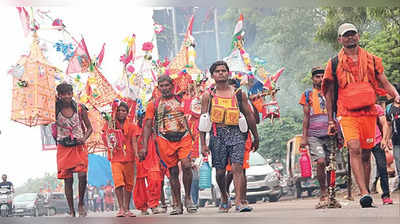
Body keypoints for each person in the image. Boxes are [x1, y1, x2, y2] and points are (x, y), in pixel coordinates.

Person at [322, 23, 400, 208]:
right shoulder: (333, 63)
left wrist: (397, 96)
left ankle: (366, 191)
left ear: (358, 36)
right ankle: (364, 193)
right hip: (346, 113)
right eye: (345, 35)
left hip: (368, 112)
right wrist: (331, 120)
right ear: (339, 40)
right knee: (354, 148)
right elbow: (330, 94)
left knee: (366, 154)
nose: (350, 38)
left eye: (352, 34)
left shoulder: (371, 60)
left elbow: (384, 81)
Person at [200, 61, 259, 212]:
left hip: (237, 133)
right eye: (217, 71)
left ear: (228, 73)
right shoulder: (208, 95)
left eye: (223, 70)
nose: (221, 73)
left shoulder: (239, 93)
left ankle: (239, 201)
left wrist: (255, 136)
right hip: (217, 134)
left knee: (237, 167)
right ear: (212, 75)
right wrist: (203, 144)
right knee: (220, 172)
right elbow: (204, 119)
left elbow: (249, 115)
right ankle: (225, 196)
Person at [139, 75, 197, 215]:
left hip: (183, 137)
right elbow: (147, 125)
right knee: (173, 173)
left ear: (172, 85)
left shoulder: (181, 99)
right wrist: (144, 147)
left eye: (167, 85)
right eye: (162, 86)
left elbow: (193, 113)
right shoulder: (153, 104)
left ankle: (188, 198)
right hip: (164, 140)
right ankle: (177, 203)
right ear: (158, 88)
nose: (165, 88)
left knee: (186, 165)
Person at [299, 66, 337, 209]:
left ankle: (330, 194)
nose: (320, 79)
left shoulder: (331, 92)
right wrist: (304, 137)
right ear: (312, 79)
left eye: (322, 76)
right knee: (320, 161)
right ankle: (322, 192)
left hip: (330, 132)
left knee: (330, 164)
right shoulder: (307, 94)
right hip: (314, 135)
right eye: (317, 77)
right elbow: (306, 116)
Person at [55, 82, 92, 217]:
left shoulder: (80, 109)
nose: (66, 97)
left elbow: (90, 128)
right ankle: (71, 209)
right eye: (63, 94)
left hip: (79, 146)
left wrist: (84, 138)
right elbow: (46, 121)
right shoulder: (54, 109)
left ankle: (81, 203)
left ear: (72, 94)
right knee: (68, 179)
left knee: (82, 175)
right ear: (59, 95)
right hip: (64, 147)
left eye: (69, 94)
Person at [104, 101, 137, 217]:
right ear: (115, 112)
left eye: (124, 111)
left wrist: (137, 154)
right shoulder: (110, 124)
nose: (121, 113)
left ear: (127, 113)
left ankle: (127, 208)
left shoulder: (132, 126)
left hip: (129, 158)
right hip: (115, 158)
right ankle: (121, 208)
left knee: (129, 184)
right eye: (119, 110)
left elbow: (134, 141)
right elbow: (105, 138)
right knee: (119, 183)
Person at [370, 104, 393, 204]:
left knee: (382, 168)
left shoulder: (377, 108)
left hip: (377, 140)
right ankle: (366, 195)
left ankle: (386, 195)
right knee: (365, 169)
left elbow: (384, 124)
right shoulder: (358, 108)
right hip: (363, 141)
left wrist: (385, 139)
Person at [385, 84, 400, 192]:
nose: (386, 94)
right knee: (398, 164)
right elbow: (389, 125)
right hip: (396, 140)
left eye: (388, 92)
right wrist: (386, 139)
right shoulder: (389, 107)